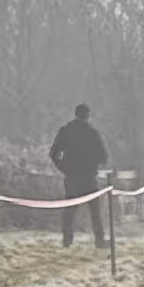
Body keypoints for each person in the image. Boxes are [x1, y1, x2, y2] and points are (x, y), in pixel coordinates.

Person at [49, 104, 108, 245]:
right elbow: (103, 156)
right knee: (95, 213)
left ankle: (67, 241)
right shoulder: (93, 133)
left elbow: (53, 153)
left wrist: (64, 168)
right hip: (89, 177)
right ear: (88, 115)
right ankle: (99, 240)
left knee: (69, 211)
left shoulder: (66, 131)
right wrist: (93, 164)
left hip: (72, 177)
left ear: (75, 114)